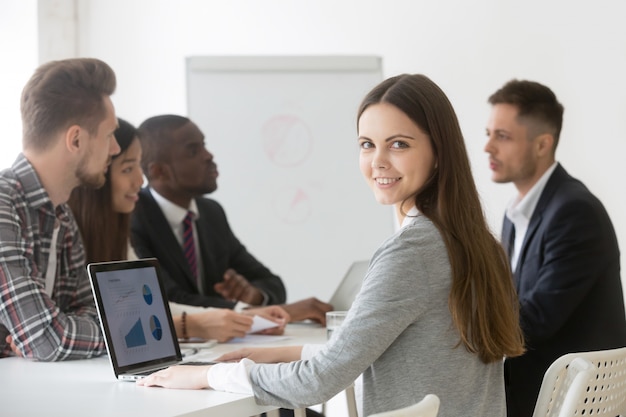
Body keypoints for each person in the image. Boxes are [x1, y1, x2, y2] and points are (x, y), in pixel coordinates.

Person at [136, 74, 526, 417]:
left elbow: (318, 383)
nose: (377, 162)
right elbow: (377, 355)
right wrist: (273, 354)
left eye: (399, 145)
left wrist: (206, 374)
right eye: (367, 144)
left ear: (438, 152)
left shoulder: (412, 253)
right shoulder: (478, 245)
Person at [67, 118, 289, 343]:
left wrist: (245, 312)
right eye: (127, 168)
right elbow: (155, 301)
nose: (140, 180)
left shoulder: (211, 213)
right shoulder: (133, 217)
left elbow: (150, 305)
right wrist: (205, 322)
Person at [484, 79, 626, 417]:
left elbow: (535, 321)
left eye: (502, 137)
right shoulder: (517, 213)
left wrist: (459, 319)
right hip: (534, 389)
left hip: (562, 401)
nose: (487, 147)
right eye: (487, 133)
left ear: (542, 144)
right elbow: (510, 304)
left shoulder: (574, 212)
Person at [130, 115, 333, 323]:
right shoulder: (133, 218)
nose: (208, 156)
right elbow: (166, 300)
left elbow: (271, 283)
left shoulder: (211, 213)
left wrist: (253, 295)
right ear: (159, 171)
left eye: (204, 145)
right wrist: (259, 313)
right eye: (193, 150)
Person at [0, 58, 120, 360]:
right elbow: (48, 339)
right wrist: (117, 335)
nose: (115, 149)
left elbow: (92, 310)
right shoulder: (3, 204)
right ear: (76, 139)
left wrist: (58, 331)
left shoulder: (61, 214)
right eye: (109, 135)